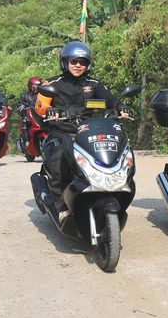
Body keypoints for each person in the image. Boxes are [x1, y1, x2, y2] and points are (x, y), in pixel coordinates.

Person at [35, 41, 129, 222]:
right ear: (65, 62)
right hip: (62, 132)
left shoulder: (93, 84)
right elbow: (40, 105)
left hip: (87, 131)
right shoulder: (53, 83)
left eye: (82, 62)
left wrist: (121, 107)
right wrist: (49, 111)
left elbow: (110, 100)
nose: (78, 65)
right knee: (60, 158)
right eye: (74, 61)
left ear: (88, 64)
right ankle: (60, 205)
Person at [17, 76, 42, 145]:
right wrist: (22, 107)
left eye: (38, 87)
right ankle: (26, 140)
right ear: (30, 87)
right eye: (34, 87)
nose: (36, 89)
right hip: (29, 116)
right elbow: (20, 105)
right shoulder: (25, 95)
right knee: (25, 121)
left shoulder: (43, 96)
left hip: (41, 115)